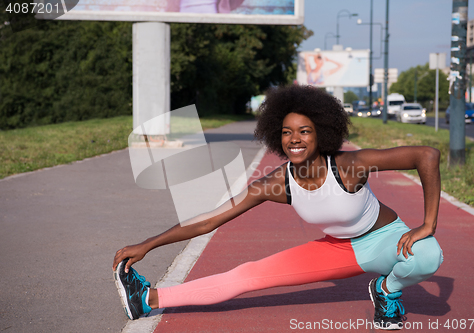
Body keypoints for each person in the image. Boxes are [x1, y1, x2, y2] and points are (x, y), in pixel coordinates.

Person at [113, 85, 443, 330]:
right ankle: (148, 299)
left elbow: (425, 155)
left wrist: (427, 224)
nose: (294, 139)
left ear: (322, 133)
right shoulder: (276, 184)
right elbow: (208, 221)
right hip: (338, 250)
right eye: (287, 132)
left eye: (304, 131)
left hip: (386, 238)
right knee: (245, 277)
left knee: (429, 255)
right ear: (277, 137)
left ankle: (386, 289)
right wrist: (148, 244)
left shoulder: (349, 165)